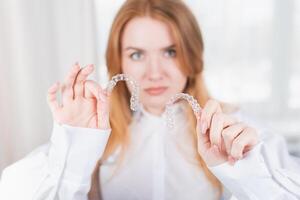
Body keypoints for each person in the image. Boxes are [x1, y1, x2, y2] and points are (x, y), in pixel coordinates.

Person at [1, 0, 300, 199]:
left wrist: (248, 174)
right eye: (137, 54)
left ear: (193, 57)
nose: (154, 72)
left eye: (170, 51)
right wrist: (73, 148)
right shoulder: (92, 135)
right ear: (118, 62)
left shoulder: (238, 132)